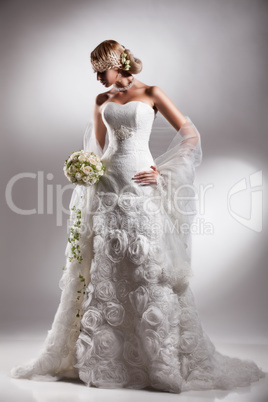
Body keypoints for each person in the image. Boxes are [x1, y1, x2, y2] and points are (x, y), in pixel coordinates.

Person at [10, 39, 265, 393]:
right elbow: (98, 150)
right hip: (109, 186)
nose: (98, 78)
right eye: (94, 72)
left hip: (142, 184)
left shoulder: (153, 92)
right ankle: (108, 356)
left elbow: (190, 134)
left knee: (148, 262)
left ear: (119, 63)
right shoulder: (101, 101)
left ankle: (158, 358)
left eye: (103, 70)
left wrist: (163, 172)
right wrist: (86, 170)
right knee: (107, 262)